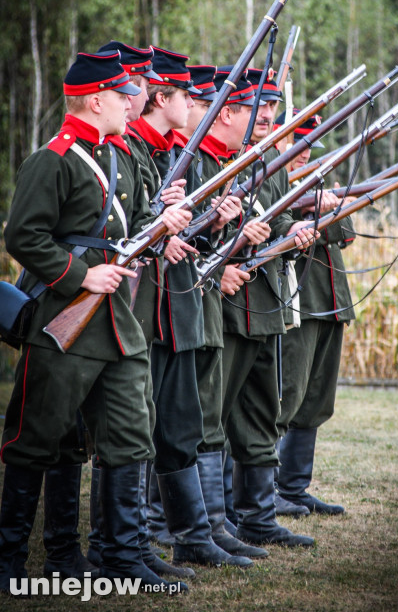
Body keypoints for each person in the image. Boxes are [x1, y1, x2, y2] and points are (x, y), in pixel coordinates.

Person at [0, 50, 192, 594]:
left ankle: (123, 555)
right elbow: (23, 236)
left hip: (116, 322)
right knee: (39, 438)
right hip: (65, 317)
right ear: (96, 97)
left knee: (131, 433)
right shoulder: (55, 159)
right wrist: (79, 276)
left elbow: (123, 232)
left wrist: (164, 218)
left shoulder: (119, 154)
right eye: (125, 91)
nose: (134, 99)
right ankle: (13, 558)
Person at [128, 47, 252, 569]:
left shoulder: (163, 155)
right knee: (134, 431)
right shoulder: (136, 152)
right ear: (164, 99)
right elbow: (127, 231)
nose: (196, 105)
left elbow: (177, 229)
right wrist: (164, 233)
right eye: (187, 96)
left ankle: (192, 536)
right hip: (147, 311)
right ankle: (136, 540)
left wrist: (212, 226)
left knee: (179, 426)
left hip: (175, 311)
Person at [213, 67, 317, 548]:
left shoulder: (264, 166)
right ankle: (208, 522)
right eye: (260, 106)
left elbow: (275, 228)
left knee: (259, 412)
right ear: (231, 108)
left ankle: (256, 518)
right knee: (213, 414)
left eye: (274, 108)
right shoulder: (217, 163)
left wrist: (293, 236)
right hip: (231, 304)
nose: (268, 116)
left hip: (266, 305)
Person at [273, 107, 356, 515]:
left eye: (309, 148)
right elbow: (276, 232)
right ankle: (263, 492)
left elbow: (345, 233)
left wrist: (324, 206)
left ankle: (293, 487)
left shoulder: (317, 179)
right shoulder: (272, 182)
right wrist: (303, 212)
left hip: (330, 297)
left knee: (317, 397)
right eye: (298, 146)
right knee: (285, 395)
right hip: (296, 298)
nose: (305, 155)